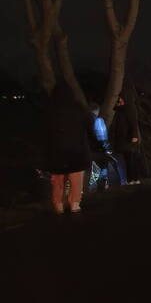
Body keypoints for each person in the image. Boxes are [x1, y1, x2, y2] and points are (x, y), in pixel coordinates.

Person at [39, 81, 92, 214]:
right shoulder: (79, 109)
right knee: (76, 179)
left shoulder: (48, 111)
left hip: (56, 152)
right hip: (77, 151)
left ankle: (58, 206)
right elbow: (89, 127)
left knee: (57, 181)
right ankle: (75, 204)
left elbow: (43, 133)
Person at [111, 92, 145, 184]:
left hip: (128, 139)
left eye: (120, 99)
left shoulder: (127, 109)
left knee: (131, 159)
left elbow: (133, 123)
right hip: (123, 139)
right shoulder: (120, 111)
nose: (119, 101)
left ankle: (134, 179)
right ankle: (132, 179)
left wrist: (134, 136)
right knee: (128, 159)